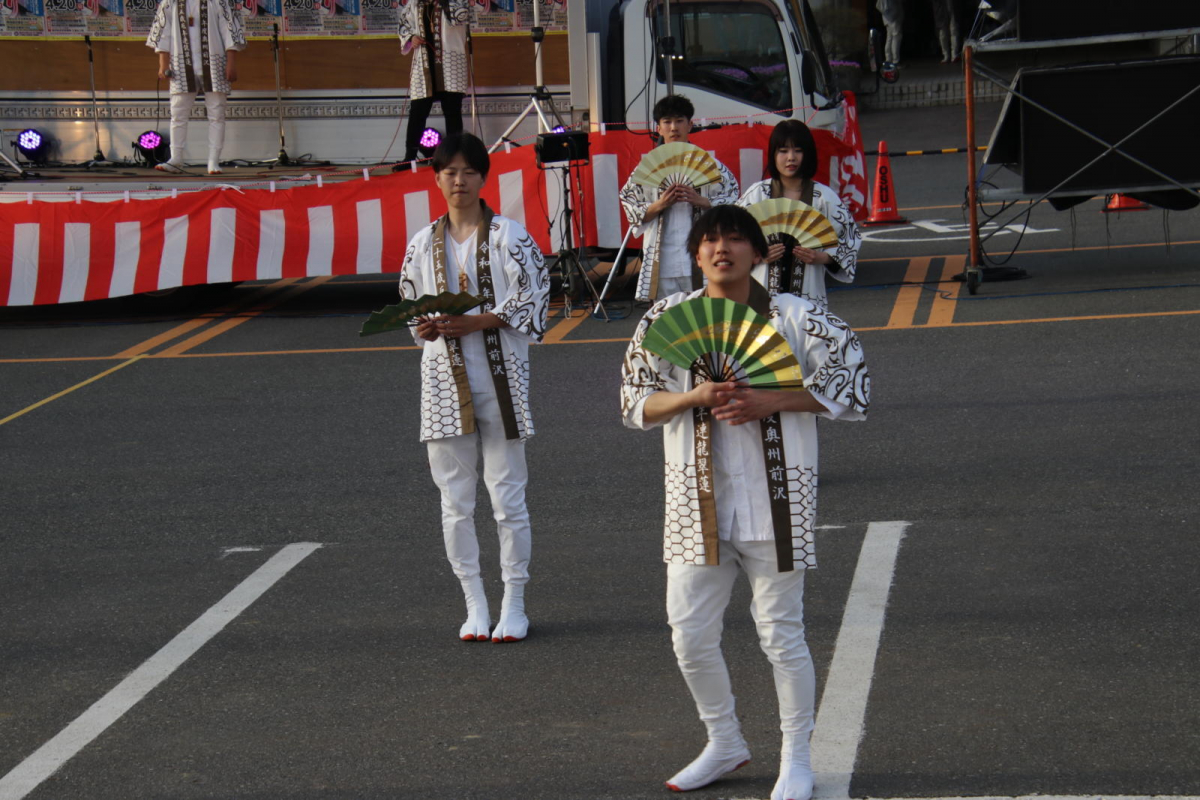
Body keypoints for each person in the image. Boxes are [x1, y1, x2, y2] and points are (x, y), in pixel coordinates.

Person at [620, 205, 869, 800]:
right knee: (689, 634)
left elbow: (853, 382)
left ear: (759, 253)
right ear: (696, 254)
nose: (721, 247)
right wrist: (691, 397)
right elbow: (635, 401)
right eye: (709, 239)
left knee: (782, 634)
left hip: (775, 500)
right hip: (693, 503)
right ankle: (724, 740)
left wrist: (772, 399)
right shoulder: (667, 317)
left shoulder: (797, 317)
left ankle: (796, 757)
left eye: (735, 237)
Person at [399, 132, 549, 643]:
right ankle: (474, 602)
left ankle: (515, 601)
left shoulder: (510, 235)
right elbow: (409, 304)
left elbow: (535, 298)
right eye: (448, 171)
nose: (458, 180)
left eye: (467, 171)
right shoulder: (421, 243)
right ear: (437, 178)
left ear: (484, 177)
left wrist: (481, 320)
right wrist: (422, 326)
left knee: (508, 498)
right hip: (443, 383)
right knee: (454, 501)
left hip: (502, 380)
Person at [619, 94, 739, 303]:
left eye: (679, 121)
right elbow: (629, 200)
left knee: (703, 313)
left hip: (701, 254)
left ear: (690, 125)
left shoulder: (709, 163)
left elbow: (735, 198)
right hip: (662, 256)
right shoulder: (647, 168)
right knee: (666, 316)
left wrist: (704, 202)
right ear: (659, 128)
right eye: (667, 122)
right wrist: (659, 205)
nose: (673, 127)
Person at [738, 120, 861, 307]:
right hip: (760, 296)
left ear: (808, 154)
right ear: (773, 154)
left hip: (808, 296)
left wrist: (822, 257)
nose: (791, 158)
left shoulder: (824, 198)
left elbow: (850, 238)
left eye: (798, 150)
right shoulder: (757, 195)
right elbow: (732, 236)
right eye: (783, 151)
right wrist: (757, 254)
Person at [146, 0, 246, 175]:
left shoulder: (218, 2)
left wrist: (231, 63)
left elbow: (229, 31)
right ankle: (176, 159)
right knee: (177, 114)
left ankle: (213, 161)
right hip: (180, 64)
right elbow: (163, 31)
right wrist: (163, 63)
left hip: (215, 63)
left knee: (216, 114)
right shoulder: (170, 2)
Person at [398, 0, 470, 169]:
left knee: (452, 110)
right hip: (424, 64)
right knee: (417, 111)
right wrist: (411, 38)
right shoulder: (415, 3)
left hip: (450, 63)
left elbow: (461, 16)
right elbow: (404, 24)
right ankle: (410, 157)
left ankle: (455, 155)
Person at [876, 0, 903, 65]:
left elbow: (879, 6)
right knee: (896, 38)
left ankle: (888, 59)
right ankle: (895, 60)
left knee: (889, 38)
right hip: (893, 17)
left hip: (887, 18)